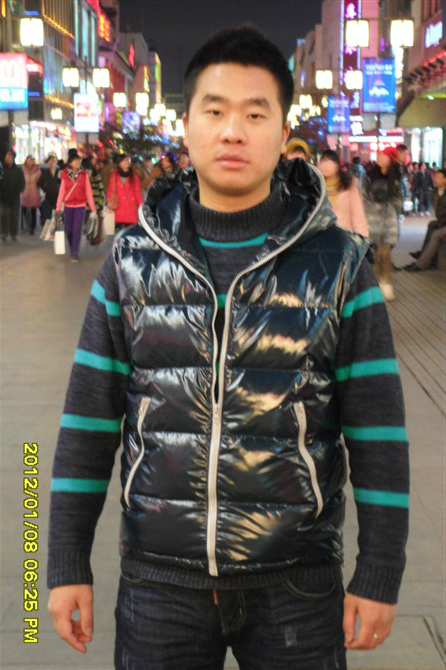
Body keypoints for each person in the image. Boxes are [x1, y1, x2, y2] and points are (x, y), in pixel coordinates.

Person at [47, 26, 409, 670]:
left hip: (297, 583)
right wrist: (60, 561)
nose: (233, 131)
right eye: (214, 111)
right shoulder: (131, 262)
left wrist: (380, 570)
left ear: (282, 130)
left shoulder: (339, 264)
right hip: (160, 583)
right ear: (187, 126)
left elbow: (377, 429)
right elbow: (87, 421)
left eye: (255, 113)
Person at [362, 150, 402, 301]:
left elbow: (399, 198)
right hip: (372, 219)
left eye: (383, 156)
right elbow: (363, 195)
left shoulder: (396, 176)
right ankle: (377, 284)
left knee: (385, 253)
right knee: (374, 254)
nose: (379, 158)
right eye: (378, 156)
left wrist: (394, 211)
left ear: (390, 159)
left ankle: (387, 284)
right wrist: (369, 209)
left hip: (389, 220)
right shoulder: (370, 175)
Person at [401, 168, 446, 271]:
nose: (435, 179)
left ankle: (421, 264)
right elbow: (437, 209)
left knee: (436, 234)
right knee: (432, 225)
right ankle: (430, 260)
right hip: (442, 220)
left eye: (438, 177)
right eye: (435, 177)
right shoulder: (435, 191)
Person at [317, 149, 368, 236]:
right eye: (324, 161)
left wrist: (362, 239)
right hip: (319, 240)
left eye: (330, 161)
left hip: (343, 238)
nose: (326, 165)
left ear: (337, 165)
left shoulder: (348, 187)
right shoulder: (315, 187)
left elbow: (358, 217)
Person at [56, 153, 96, 262]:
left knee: (77, 229)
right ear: (70, 163)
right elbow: (62, 191)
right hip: (68, 206)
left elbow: (88, 192)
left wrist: (93, 209)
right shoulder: (65, 175)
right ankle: (72, 246)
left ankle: (74, 252)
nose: (78, 162)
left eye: (79, 160)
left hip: (80, 206)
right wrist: (58, 207)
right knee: (68, 230)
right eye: (75, 160)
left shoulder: (84, 175)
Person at [106, 152, 142, 230]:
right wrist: (110, 200)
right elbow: (110, 190)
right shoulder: (114, 175)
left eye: (128, 160)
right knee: (118, 234)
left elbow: (138, 192)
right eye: (124, 160)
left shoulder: (134, 176)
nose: (127, 162)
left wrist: (141, 207)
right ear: (119, 163)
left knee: (129, 234)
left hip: (131, 211)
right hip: (118, 209)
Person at [0, 150, 25, 242]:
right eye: (7, 157)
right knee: (3, 215)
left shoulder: (18, 170)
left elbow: (22, 182)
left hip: (14, 197)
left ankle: (13, 233)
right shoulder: (2, 169)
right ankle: (4, 233)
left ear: (13, 159)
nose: (8, 159)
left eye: (10, 157)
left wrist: (20, 190)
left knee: (14, 216)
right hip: (3, 197)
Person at [21, 155, 41, 234]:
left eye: (31, 160)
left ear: (33, 161)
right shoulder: (23, 170)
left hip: (34, 191)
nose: (29, 161)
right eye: (28, 160)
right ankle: (27, 224)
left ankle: (32, 227)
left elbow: (40, 180)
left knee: (33, 210)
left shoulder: (37, 170)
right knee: (24, 209)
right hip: (25, 191)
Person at [38, 153, 60, 224]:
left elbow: (61, 182)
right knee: (47, 215)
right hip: (47, 195)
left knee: (58, 214)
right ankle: (47, 227)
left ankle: (57, 227)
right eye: (51, 160)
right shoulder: (44, 171)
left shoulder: (58, 170)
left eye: (54, 160)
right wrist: (45, 188)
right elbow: (39, 182)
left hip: (57, 195)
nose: (52, 162)